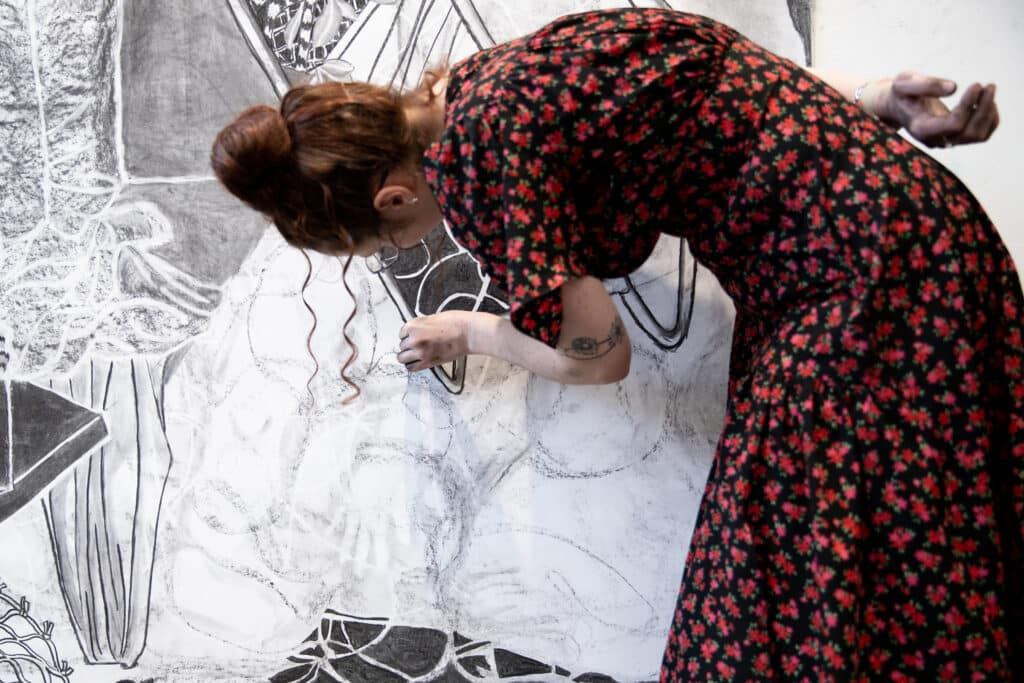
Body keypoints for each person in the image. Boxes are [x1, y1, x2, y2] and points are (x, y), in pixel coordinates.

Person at [211, 8, 1022, 680]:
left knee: (772, 601)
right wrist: (880, 98)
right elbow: (735, 83)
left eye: (384, 244)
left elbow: (598, 354)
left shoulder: (480, 158)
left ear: (393, 193)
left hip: (859, 288)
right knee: (911, 555)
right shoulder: (506, 68)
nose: (403, 250)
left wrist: (474, 330)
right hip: (917, 240)